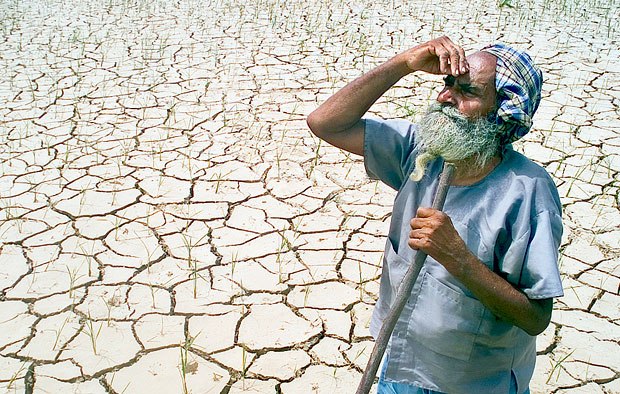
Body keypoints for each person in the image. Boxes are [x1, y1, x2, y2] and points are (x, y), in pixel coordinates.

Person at [306, 36, 564, 394]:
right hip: (397, 360)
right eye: (447, 85)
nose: (445, 98)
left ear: (503, 112)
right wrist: (404, 62)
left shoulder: (527, 191)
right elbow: (325, 122)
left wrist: (457, 257)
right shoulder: (421, 152)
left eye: (467, 91)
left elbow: (535, 317)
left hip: (471, 382)